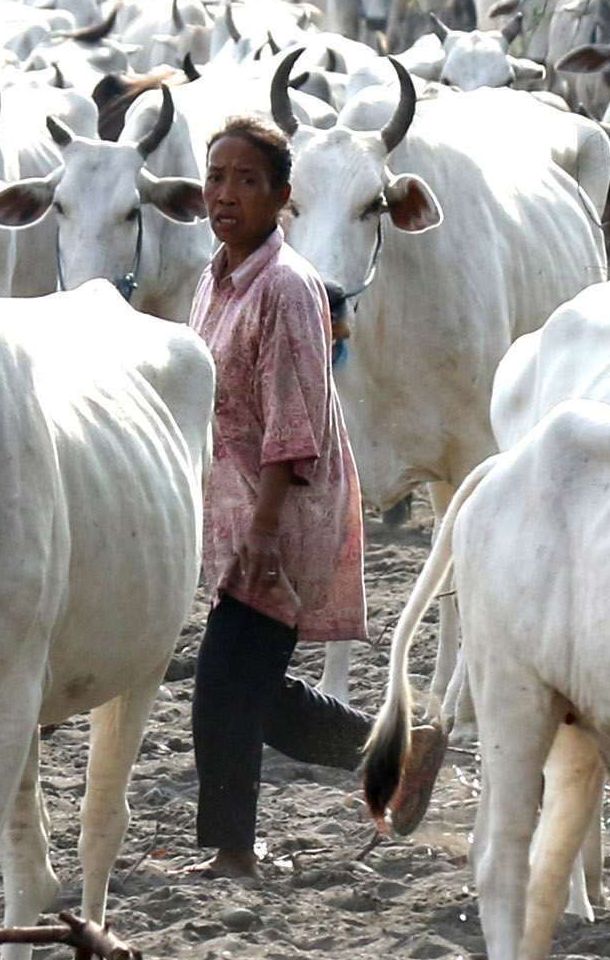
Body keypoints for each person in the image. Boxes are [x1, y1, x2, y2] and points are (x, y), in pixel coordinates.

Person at [184, 116, 433, 876]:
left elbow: (292, 425)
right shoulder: (216, 277)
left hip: (282, 514)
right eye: (217, 177)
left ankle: (234, 854)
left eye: (247, 181)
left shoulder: (287, 289)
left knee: (221, 694)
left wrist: (262, 533)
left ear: (282, 198)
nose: (227, 195)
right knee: (256, 693)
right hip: (238, 510)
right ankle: (401, 751)